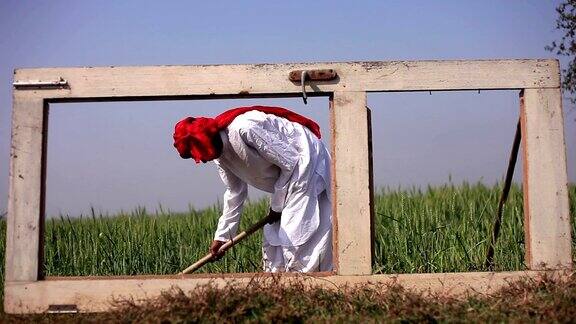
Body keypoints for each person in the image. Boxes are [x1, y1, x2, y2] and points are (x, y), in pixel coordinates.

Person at [173, 106, 332, 272]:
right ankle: (278, 285)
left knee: (295, 233)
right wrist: (223, 237)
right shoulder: (219, 157)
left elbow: (291, 162)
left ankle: (307, 284)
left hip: (306, 162)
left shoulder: (245, 129)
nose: (203, 161)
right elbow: (235, 192)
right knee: (273, 237)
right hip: (288, 174)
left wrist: (277, 207)